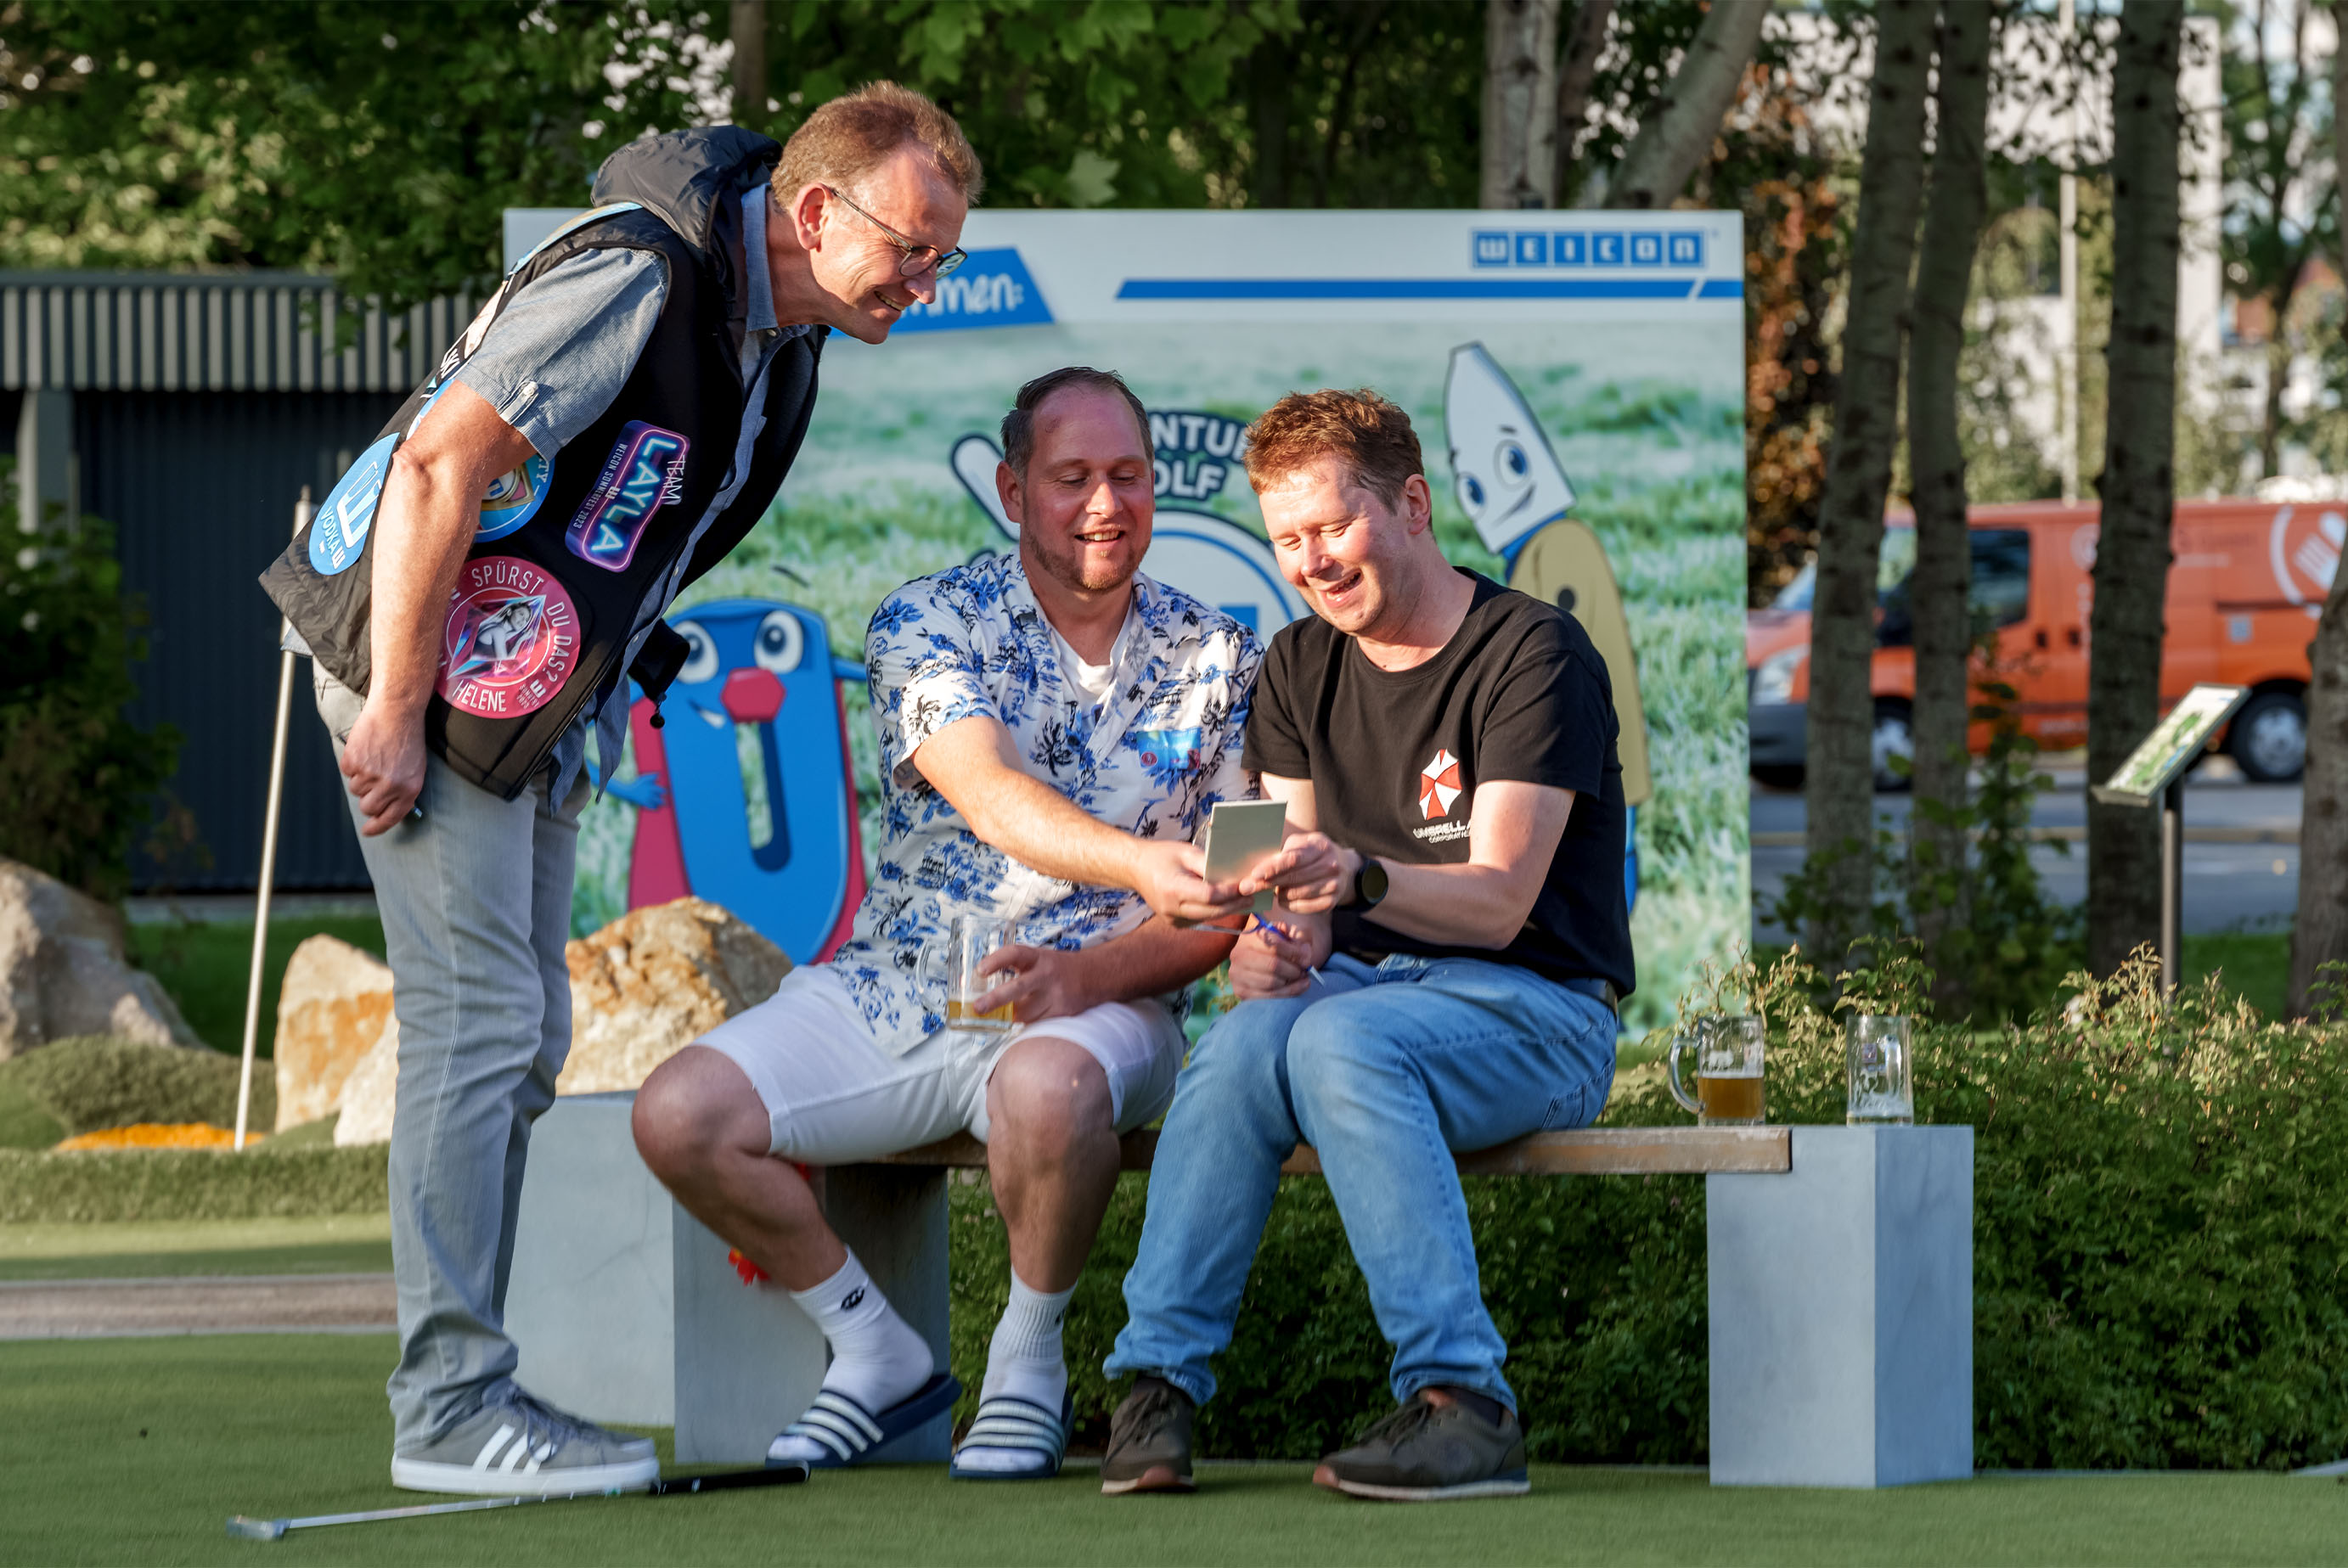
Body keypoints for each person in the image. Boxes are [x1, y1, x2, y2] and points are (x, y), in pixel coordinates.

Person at [262, 84, 983, 1497]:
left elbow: (631, 534)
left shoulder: (777, 339)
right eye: (914, 248)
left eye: (945, 258)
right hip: (417, 665)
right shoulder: (644, 273)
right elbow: (437, 466)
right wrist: (398, 711)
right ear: (820, 210)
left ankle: (468, 1391)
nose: (927, 281)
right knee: (479, 1027)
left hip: (516, 691)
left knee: (518, 1040)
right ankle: (452, 1410)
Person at [630, 367, 1262, 1482]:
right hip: (897, 990)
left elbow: (1235, 895)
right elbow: (986, 793)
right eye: (1073, 478)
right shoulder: (926, 619)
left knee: (1044, 1085)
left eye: (1128, 476)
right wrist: (1135, 862)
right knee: (679, 1115)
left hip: (1106, 1006)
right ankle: (873, 1349)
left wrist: (1092, 973)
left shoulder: (1229, 657)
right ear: (1014, 490)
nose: (1105, 503)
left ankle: (1027, 1366)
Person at [1100, 388, 1634, 1502]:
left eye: (1331, 530)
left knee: (1337, 1041)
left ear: (1413, 506)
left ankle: (1465, 1405)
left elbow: (1495, 905)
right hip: (1360, 999)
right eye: (1286, 541)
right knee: (1247, 1045)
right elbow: (1285, 880)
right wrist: (1267, 945)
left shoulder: (1534, 652)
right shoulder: (1296, 666)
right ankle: (1153, 1391)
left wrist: (1363, 875)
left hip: (1541, 1014)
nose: (1310, 563)